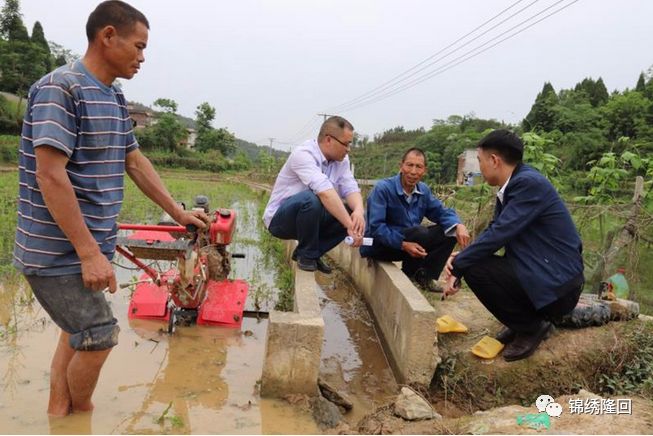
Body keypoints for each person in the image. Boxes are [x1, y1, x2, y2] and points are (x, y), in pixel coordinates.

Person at [13, 1, 208, 416]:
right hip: (56, 252)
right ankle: (81, 417)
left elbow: (134, 161)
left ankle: (57, 414)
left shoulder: (115, 98)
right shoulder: (60, 89)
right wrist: (87, 253)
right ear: (107, 37)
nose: (142, 57)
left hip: (88, 247)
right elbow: (50, 175)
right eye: (138, 46)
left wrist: (178, 212)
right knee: (99, 334)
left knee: (75, 332)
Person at [444, 130, 584, 362]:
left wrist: (460, 265)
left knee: (475, 269)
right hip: (543, 275)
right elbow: (496, 230)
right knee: (473, 262)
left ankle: (532, 327)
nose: (480, 168)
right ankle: (521, 322)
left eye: (480, 161)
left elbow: (499, 234)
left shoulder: (528, 184)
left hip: (559, 288)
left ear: (494, 160)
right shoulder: (513, 186)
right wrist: (464, 255)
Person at [263, 116, 365, 272]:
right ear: (329, 140)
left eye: (350, 144)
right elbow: (325, 193)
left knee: (353, 214)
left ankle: (311, 253)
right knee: (311, 199)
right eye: (346, 144)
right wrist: (349, 225)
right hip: (281, 220)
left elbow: (350, 188)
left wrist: (358, 212)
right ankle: (307, 254)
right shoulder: (304, 154)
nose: (348, 149)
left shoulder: (342, 161)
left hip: (311, 219)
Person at [360, 148, 470, 292]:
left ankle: (424, 275)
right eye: (409, 165)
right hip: (379, 245)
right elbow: (376, 228)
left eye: (418, 167)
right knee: (419, 232)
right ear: (401, 166)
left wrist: (459, 225)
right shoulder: (383, 189)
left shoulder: (423, 191)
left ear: (424, 170)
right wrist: (403, 244)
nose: (413, 171)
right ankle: (410, 273)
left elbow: (441, 212)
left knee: (450, 231)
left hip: (410, 243)